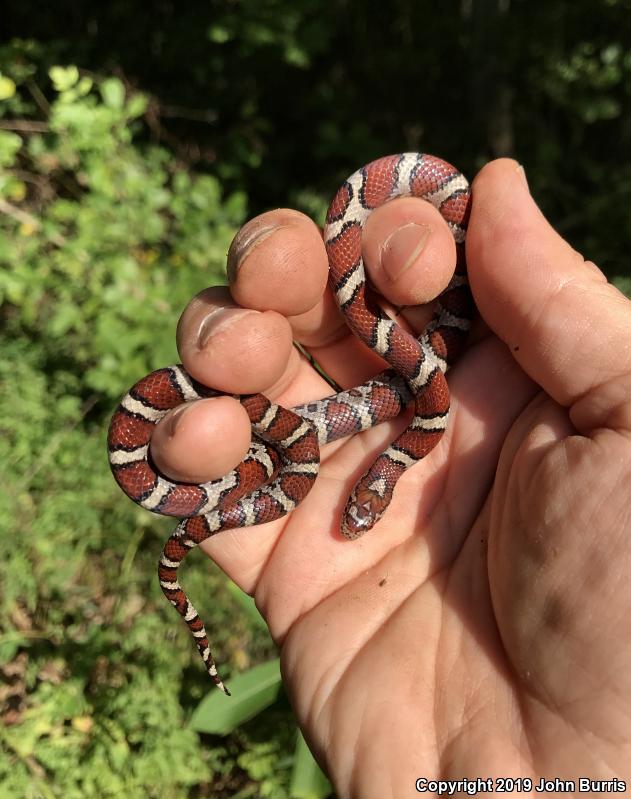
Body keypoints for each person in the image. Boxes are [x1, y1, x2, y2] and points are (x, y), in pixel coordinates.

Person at [150, 159, 631, 795]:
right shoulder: (421, 422)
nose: (352, 517)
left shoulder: (422, 429)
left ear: (372, 487)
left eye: (357, 509)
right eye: (358, 511)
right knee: (228, 386)